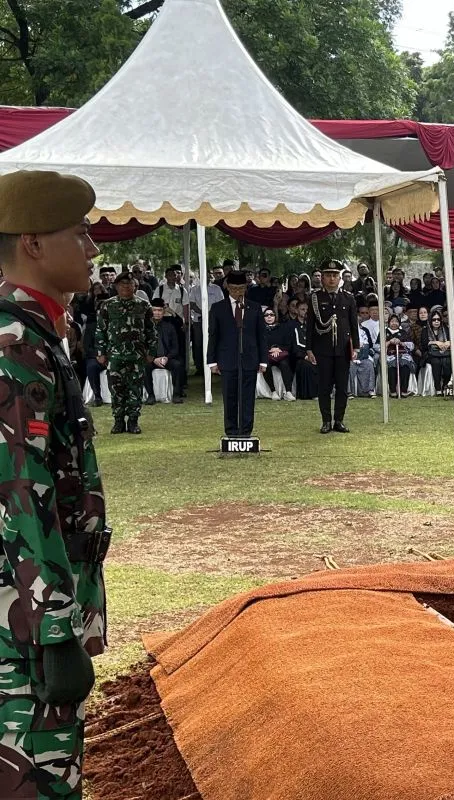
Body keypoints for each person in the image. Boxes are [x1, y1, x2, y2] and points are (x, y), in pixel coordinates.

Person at [0, 170, 109, 799]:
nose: (93, 248)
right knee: (37, 780)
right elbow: (19, 492)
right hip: (22, 625)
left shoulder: (37, 334)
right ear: (34, 243)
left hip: (27, 614)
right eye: (79, 232)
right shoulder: (15, 345)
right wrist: (54, 631)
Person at [207, 270, 268, 438]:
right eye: (234, 288)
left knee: (248, 398)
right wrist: (212, 361)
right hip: (227, 358)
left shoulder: (254, 307)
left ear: (246, 288)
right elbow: (213, 335)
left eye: (241, 288)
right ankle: (231, 431)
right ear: (227, 287)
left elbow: (261, 335)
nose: (237, 292)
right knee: (230, 397)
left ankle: (246, 431)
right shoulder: (218, 308)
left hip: (250, 358)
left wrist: (263, 360)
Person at [95, 272, 155, 434]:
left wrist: (151, 351)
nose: (126, 287)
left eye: (129, 284)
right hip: (115, 355)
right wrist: (100, 352)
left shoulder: (144, 305)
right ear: (116, 287)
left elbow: (151, 330)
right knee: (116, 389)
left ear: (135, 286)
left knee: (135, 389)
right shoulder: (107, 305)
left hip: (136, 355)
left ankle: (133, 421)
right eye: (122, 284)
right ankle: (118, 421)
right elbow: (100, 330)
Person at [306, 263, 357, 434]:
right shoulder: (315, 298)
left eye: (335, 275)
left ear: (340, 278)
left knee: (342, 388)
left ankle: (339, 420)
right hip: (323, 348)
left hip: (343, 348)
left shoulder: (348, 298)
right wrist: (309, 348)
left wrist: (356, 347)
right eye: (328, 275)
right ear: (322, 278)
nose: (332, 279)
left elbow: (353, 324)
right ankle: (326, 421)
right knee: (324, 387)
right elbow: (310, 325)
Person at [144, 298, 184, 405]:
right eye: (154, 310)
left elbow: (175, 348)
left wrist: (167, 357)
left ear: (164, 312)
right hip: (151, 358)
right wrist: (153, 359)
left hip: (166, 358)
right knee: (145, 366)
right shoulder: (145, 327)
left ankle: (176, 394)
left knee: (178, 365)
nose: (157, 313)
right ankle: (150, 395)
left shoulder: (169, 327)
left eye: (159, 310)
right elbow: (142, 347)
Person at [262, 307, 296, 401]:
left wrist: (278, 349)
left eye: (271, 315)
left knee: (284, 364)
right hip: (267, 355)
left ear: (275, 316)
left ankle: (288, 392)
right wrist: (270, 350)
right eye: (266, 315)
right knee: (266, 365)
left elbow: (289, 344)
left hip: (281, 354)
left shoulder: (282, 328)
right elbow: (259, 344)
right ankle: (273, 391)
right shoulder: (261, 330)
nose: (269, 317)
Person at [422, 308, 453, 396]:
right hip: (431, 354)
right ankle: (438, 388)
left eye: (438, 319)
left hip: (445, 353)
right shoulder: (425, 330)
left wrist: (448, 342)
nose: (436, 321)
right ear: (430, 320)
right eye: (434, 320)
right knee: (436, 362)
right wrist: (436, 342)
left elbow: (452, 340)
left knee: (447, 362)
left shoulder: (445, 329)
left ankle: (445, 385)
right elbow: (424, 345)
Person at [383, 314, 416, 397]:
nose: (394, 323)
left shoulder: (403, 332)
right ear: (389, 322)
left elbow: (411, 346)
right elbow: (377, 346)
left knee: (405, 365)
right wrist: (389, 342)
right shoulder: (384, 332)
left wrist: (401, 342)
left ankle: (404, 390)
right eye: (392, 321)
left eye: (396, 321)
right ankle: (393, 391)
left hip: (402, 354)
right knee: (391, 366)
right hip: (390, 355)